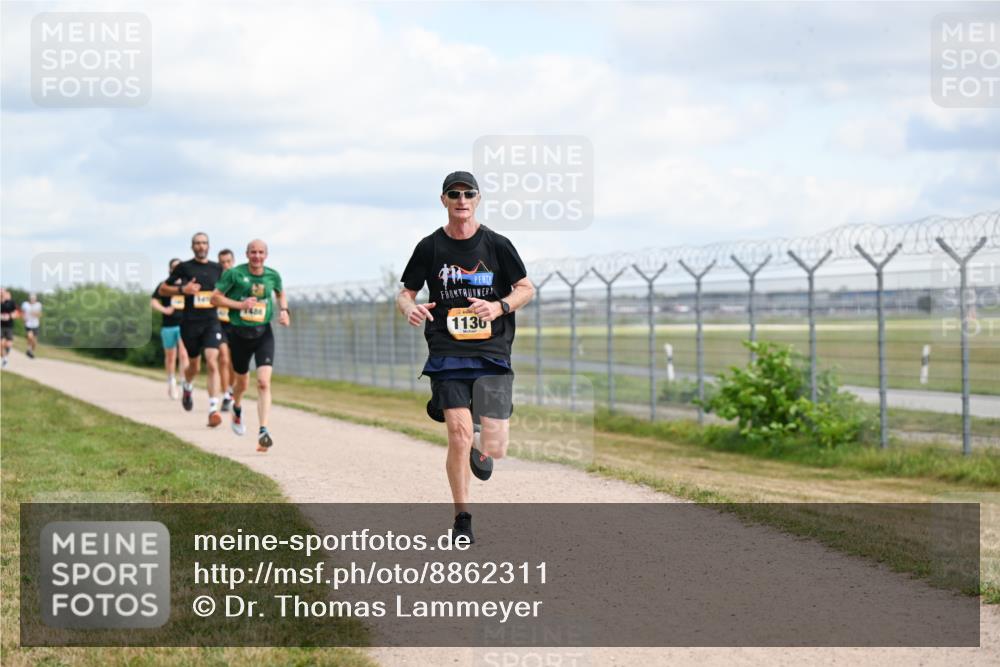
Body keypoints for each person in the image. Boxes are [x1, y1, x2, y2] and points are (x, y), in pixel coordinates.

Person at [397, 171, 534, 543]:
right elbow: (406, 293)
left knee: (496, 447)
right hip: (447, 350)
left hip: (492, 351)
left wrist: (499, 306)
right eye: (454, 194)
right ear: (443, 200)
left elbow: (526, 288)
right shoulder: (429, 247)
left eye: (468, 193)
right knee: (457, 435)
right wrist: (409, 308)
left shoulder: (497, 245)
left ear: (478, 199)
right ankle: (462, 519)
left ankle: (476, 436)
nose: (461, 200)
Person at [211, 239, 290, 452]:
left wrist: (284, 310)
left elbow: (280, 292)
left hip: (263, 333)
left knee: (263, 383)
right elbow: (214, 299)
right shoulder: (234, 274)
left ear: (266, 255)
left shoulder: (273, 275)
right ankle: (236, 407)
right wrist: (240, 305)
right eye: (253, 252)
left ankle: (263, 431)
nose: (257, 256)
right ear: (247, 254)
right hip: (239, 334)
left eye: (261, 252)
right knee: (242, 385)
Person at [158, 232, 225, 426]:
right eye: (197, 243)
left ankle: (213, 409)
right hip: (190, 323)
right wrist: (182, 290)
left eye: (204, 243)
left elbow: (228, 290)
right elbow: (163, 289)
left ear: (209, 246)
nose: (201, 246)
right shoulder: (184, 268)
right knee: (194, 366)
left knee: (212, 362)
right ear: (192, 246)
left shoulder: (217, 269)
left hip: (212, 322)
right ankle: (187, 386)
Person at [150, 258, 190, 399]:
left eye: (179, 267)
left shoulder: (187, 285)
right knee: (170, 356)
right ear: (170, 269)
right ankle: (171, 382)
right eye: (174, 267)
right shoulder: (164, 285)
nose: (177, 269)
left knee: (184, 354)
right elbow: (153, 300)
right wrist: (164, 309)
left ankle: (184, 382)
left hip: (184, 325)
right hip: (168, 325)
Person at [217, 248, 236, 412]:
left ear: (233, 262)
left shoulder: (240, 280)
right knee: (223, 358)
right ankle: (225, 395)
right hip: (219, 324)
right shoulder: (216, 280)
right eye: (222, 262)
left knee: (235, 362)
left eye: (228, 261)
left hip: (236, 324)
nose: (226, 265)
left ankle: (231, 390)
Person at [20, 293, 42, 359]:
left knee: (34, 342)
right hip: (28, 324)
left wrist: (35, 313)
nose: (32, 300)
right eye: (31, 299)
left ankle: (30, 351)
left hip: (35, 325)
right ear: (29, 299)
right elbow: (22, 312)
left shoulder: (38, 305)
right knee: (30, 337)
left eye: (33, 299)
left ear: (35, 299)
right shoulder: (25, 304)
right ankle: (28, 349)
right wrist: (23, 318)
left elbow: (40, 314)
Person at [1, 289, 19, 368]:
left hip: (9, 326)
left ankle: (5, 358)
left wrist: (9, 316)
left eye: (2, 292)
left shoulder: (11, 303)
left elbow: (16, 313)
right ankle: (4, 358)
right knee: (1, 344)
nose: (1, 294)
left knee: (8, 344)